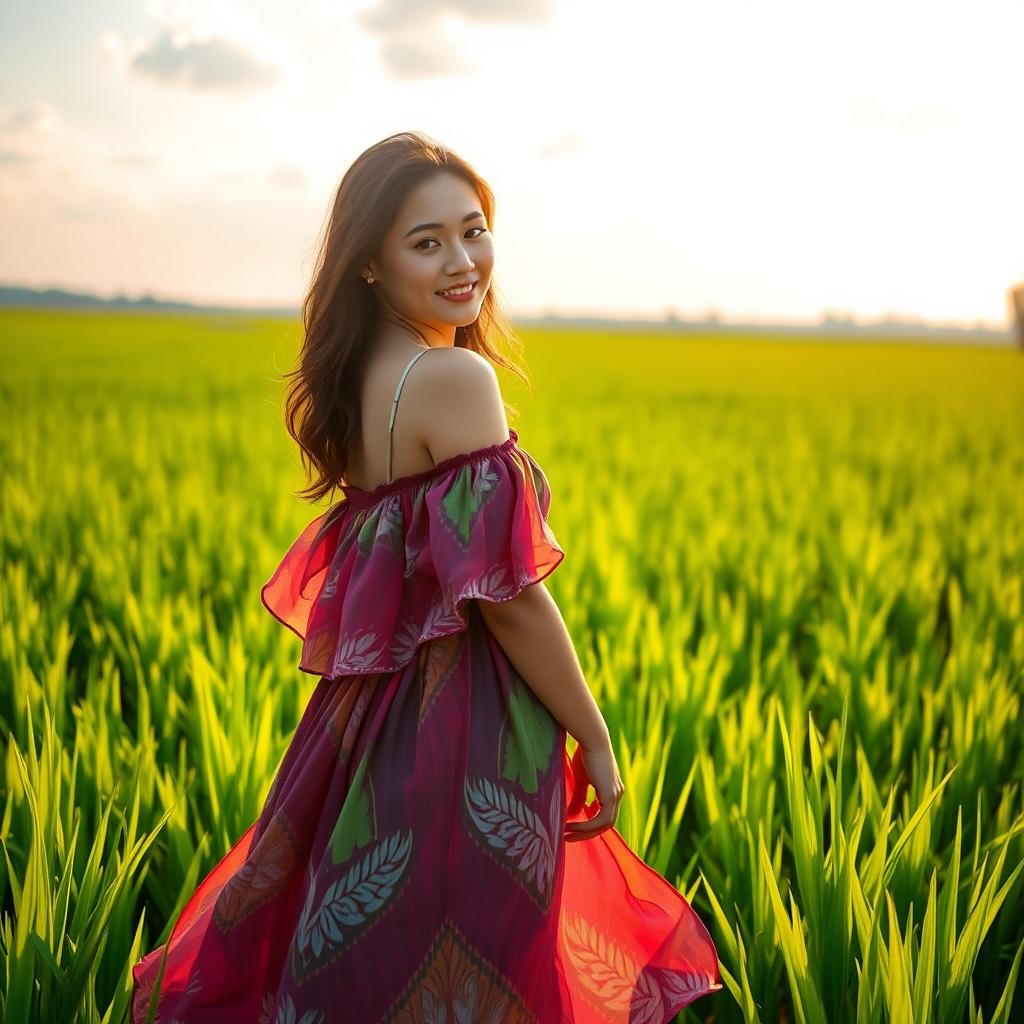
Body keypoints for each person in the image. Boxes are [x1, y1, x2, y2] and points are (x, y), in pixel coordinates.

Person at [131, 131, 721, 1023]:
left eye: (474, 230)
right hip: (468, 733)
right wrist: (592, 733)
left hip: (366, 729)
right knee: (483, 976)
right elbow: (513, 599)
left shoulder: (362, 375)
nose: (462, 261)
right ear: (370, 262)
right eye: (426, 241)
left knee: (380, 964)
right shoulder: (453, 376)